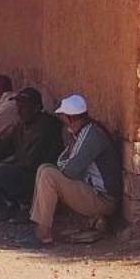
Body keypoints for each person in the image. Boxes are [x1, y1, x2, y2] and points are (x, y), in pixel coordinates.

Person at [30, 94, 121, 245]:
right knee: (44, 169)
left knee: (48, 175)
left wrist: (67, 152)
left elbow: (69, 169)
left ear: (69, 117)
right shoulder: (84, 131)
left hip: (103, 200)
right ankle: (39, 226)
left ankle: (43, 234)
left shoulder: (90, 134)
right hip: (93, 192)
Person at [0, 88, 63, 215]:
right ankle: (3, 200)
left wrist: (7, 162)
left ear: (36, 108)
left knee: (2, 170)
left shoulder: (46, 127)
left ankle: (26, 205)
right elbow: (2, 145)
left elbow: (31, 162)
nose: (19, 111)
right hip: (23, 168)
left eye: (23, 107)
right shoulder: (23, 125)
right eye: (18, 107)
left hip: (39, 176)